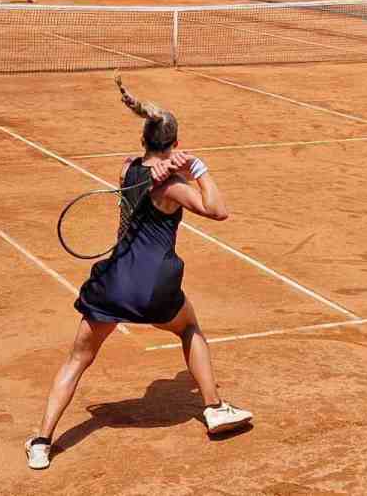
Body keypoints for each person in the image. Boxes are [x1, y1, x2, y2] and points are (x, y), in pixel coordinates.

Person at [26, 78, 252, 471]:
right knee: (188, 328)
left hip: (112, 283)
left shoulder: (127, 168)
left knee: (77, 359)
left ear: (145, 139)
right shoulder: (175, 187)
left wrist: (163, 163)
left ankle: (42, 441)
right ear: (176, 143)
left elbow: (148, 170)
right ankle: (214, 408)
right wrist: (197, 168)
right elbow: (217, 209)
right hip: (155, 287)